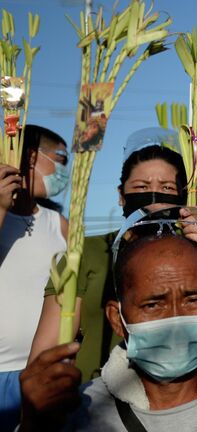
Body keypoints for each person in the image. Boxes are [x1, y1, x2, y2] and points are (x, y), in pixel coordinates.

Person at [18, 230, 197, 431]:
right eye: (154, 304)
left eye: (193, 299)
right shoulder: (78, 411)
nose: (176, 319)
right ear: (117, 318)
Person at [28, 133, 197, 383]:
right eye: (142, 187)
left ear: (182, 196)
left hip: (183, 393)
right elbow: (47, 350)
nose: (154, 197)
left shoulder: (196, 249)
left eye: (166, 187)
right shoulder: (88, 251)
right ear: (122, 195)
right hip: (98, 397)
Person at [0, 125, 69, 431]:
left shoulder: (59, 224)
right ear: (30, 157)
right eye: (60, 159)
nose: (64, 170)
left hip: (40, 375)